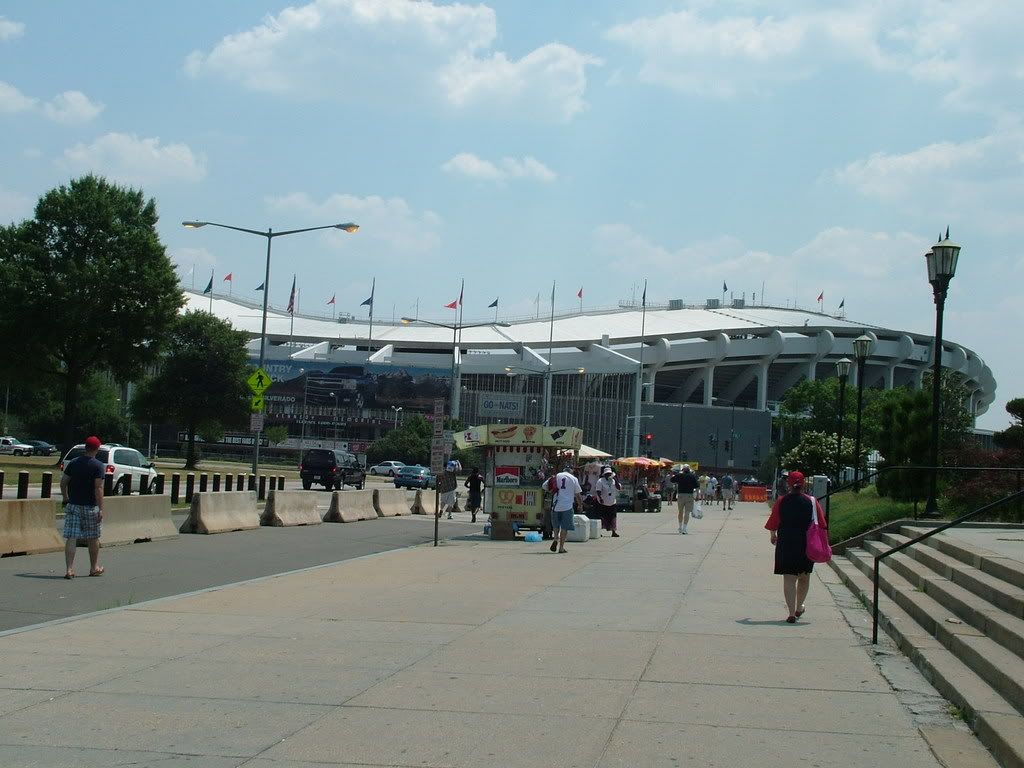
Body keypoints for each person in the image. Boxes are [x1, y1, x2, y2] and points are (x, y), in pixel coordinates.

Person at [764, 471, 827, 623]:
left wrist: (773, 535)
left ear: (788, 484)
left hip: (786, 541)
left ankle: (791, 613)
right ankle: (799, 607)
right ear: (804, 483)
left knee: (789, 578)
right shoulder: (812, 501)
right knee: (804, 576)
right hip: (806, 542)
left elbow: (774, 520)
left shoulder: (781, 501)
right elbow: (822, 523)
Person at [59, 435, 106, 579]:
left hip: (73, 505)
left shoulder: (73, 463)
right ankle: (93, 568)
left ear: (85, 447)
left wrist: (66, 498)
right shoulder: (98, 466)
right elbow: (98, 489)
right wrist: (101, 508)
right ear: (97, 449)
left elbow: (63, 482)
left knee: (71, 537)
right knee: (93, 538)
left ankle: (69, 569)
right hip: (90, 507)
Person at [547, 463, 583, 553]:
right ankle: (561, 548)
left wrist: (552, 491)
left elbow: (545, 485)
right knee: (564, 527)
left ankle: (555, 538)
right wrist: (580, 505)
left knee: (556, 525)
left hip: (556, 505)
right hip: (567, 506)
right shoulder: (574, 479)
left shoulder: (556, 476)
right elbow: (578, 494)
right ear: (571, 471)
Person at [594, 466, 621, 537]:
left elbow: (618, 488)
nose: (608, 475)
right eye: (607, 474)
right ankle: (599, 532)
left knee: (613, 517)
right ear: (604, 474)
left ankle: (613, 532)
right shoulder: (600, 481)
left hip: (612, 502)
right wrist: (600, 498)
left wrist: (615, 479)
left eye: (610, 474)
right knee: (602, 517)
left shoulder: (613, 481)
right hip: (603, 502)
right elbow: (598, 491)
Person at [672, 463, 699, 534]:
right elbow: (696, 486)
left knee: (680, 511)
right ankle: (684, 528)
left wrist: (677, 474)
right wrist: (697, 496)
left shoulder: (679, 475)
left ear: (683, 469)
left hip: (680, 495)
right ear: (689, 469)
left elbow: (672, 480)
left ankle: (680, 527)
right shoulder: (692, 476)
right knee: (687, 512)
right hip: (689, 496)